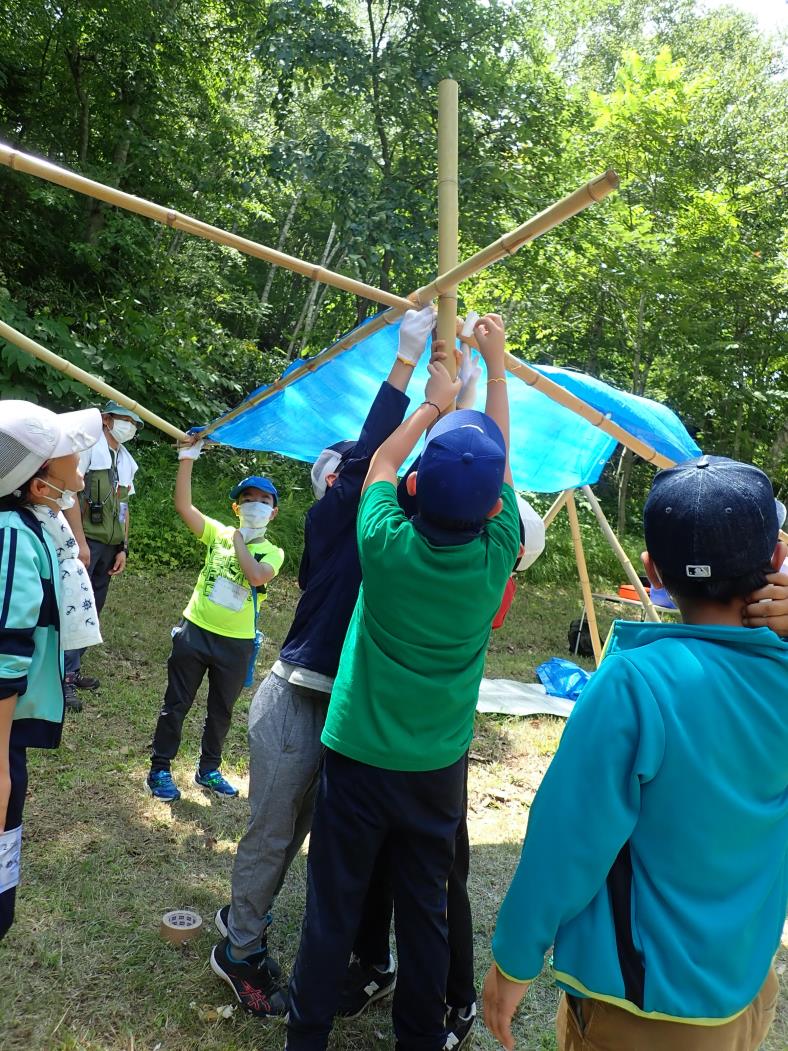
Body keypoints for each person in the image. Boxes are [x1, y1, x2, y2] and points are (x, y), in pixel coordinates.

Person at [483, 454, 788, 1051]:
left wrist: (514, 962)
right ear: (776, 560)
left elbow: (566, 841)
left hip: (641, 1008)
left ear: (651, 572)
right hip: (744, 992)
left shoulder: (633, 684)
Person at [285, 314, 521, 1051]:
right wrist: (495, 363)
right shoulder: (495, 558)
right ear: (490, 509)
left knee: (332, 903)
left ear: (422, 487)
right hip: (434, 770)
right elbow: (503, 458)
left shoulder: (383, 541)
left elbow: (380, 464)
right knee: (424, 911)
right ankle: (420, 1037)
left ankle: (308, 1034)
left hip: (357, 755)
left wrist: (433, 400)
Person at [209, 305, 440, 1017]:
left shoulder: (381, 533)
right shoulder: (330, 517)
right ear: (335, 480)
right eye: (356, 467)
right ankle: (239, 948)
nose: (375, 472)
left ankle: (284, 938)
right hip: (294, 701)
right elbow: (377, 451)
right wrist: (411, 374)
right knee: (275, 832)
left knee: (306, 838)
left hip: (342, 709)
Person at [0, 400, 103, 938]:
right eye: (70, 457)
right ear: (40, 487)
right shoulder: (14, 535)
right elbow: (4, 654)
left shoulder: (30, 521)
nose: (82, 466)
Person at [145, 446, 284, 801]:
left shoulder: (273, 551)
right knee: (176, 704)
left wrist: (239, 541)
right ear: (236, 508)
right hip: (195, 631)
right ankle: (160, 769)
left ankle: (208, 770)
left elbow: (255, 576)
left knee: (220, 711)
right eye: (248, 499)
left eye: (264, 500)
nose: (256, 505)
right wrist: (187, 460)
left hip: (236, 643)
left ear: (274, 512)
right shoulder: (218, 533)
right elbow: (183, 507)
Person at [62, 401, 143, 711]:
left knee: (93, 608)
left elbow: (124, 507)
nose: (130, 427)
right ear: (106, 419)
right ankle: (63, 677)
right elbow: (69, 495)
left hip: (109, 546)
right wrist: (79, 543)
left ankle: (73, 669)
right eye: (125, 420)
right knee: (74, 605)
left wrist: (123, 546)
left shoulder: (126, 461)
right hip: (86, 543)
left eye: (135, 423)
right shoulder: (86, 447)